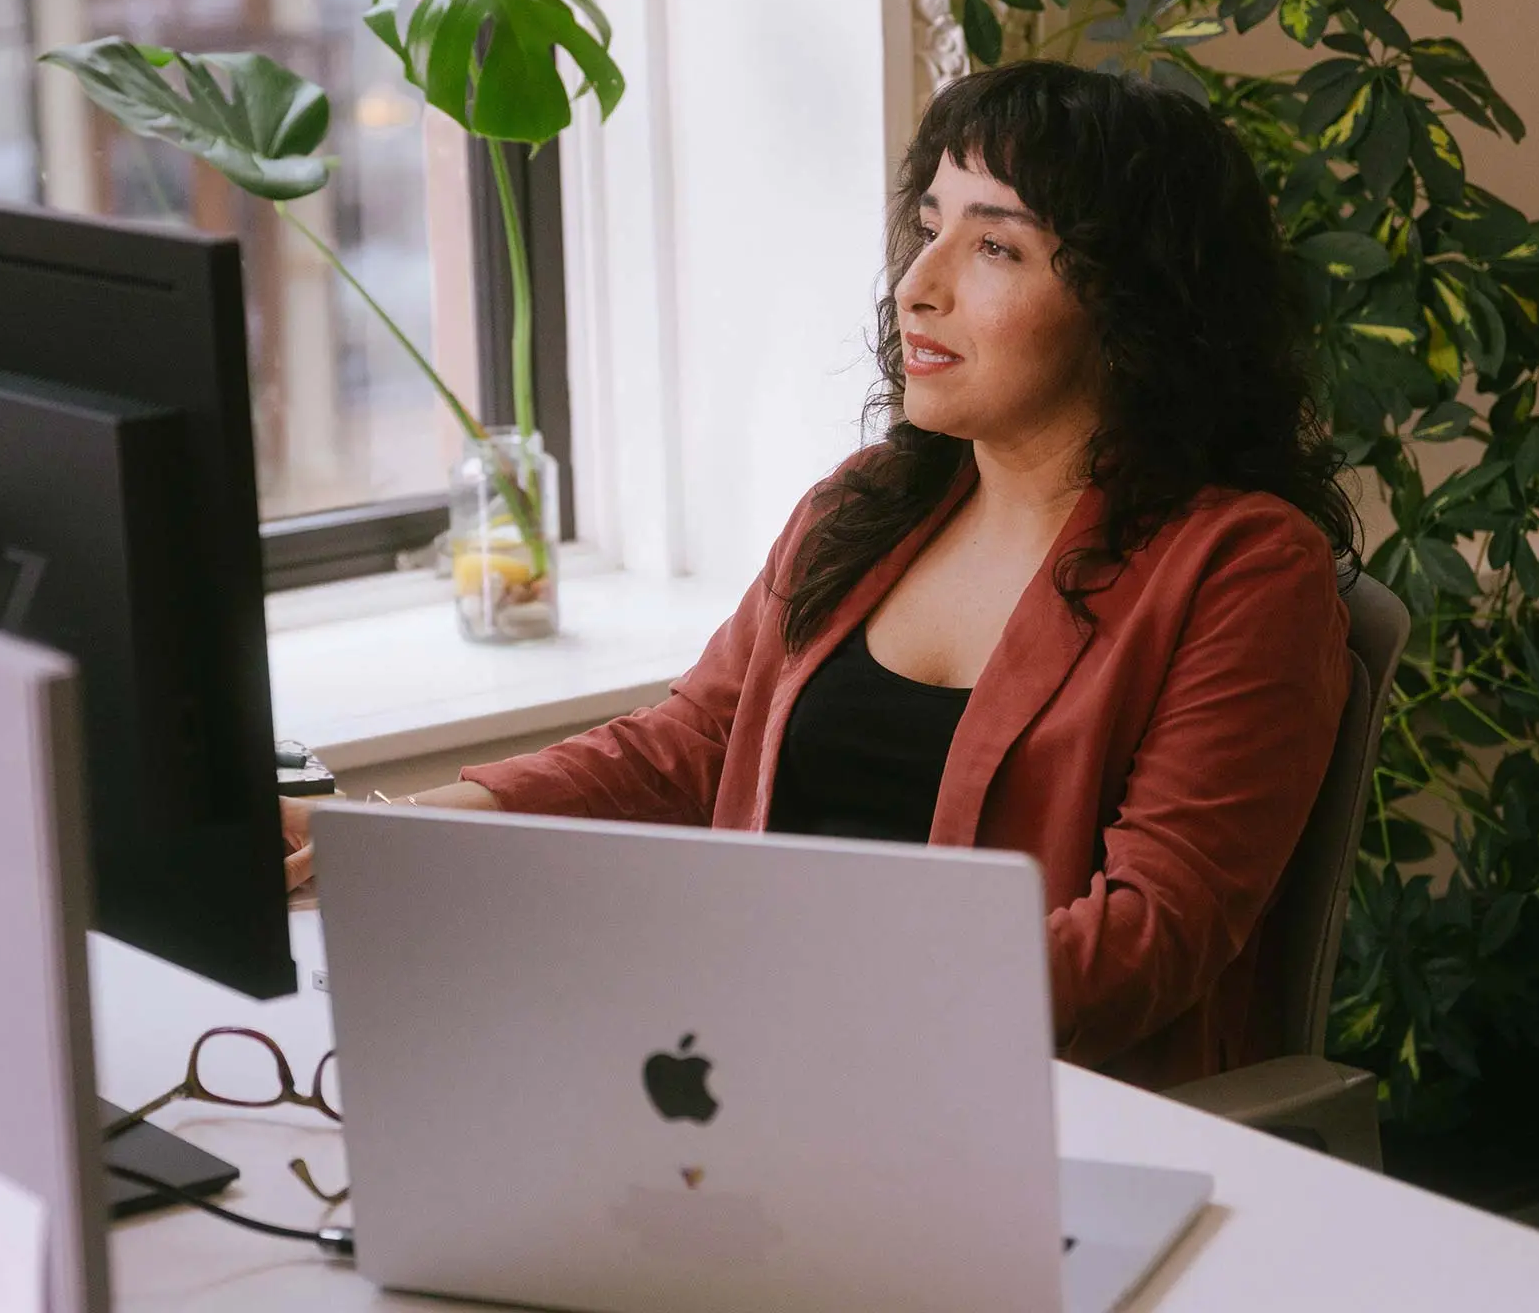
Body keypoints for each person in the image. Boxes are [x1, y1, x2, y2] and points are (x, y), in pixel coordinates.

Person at [284, 60, 1359, 1089]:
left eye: (995, 249)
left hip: (1029, 1116)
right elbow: (690, 748)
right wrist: (380, 832)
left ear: (1134, 310)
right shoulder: (868, 508)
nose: (917, 287)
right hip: (751, 1070)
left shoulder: (1245, 569)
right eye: (928, 229)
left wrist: (796, 1010)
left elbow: (1145, 936)